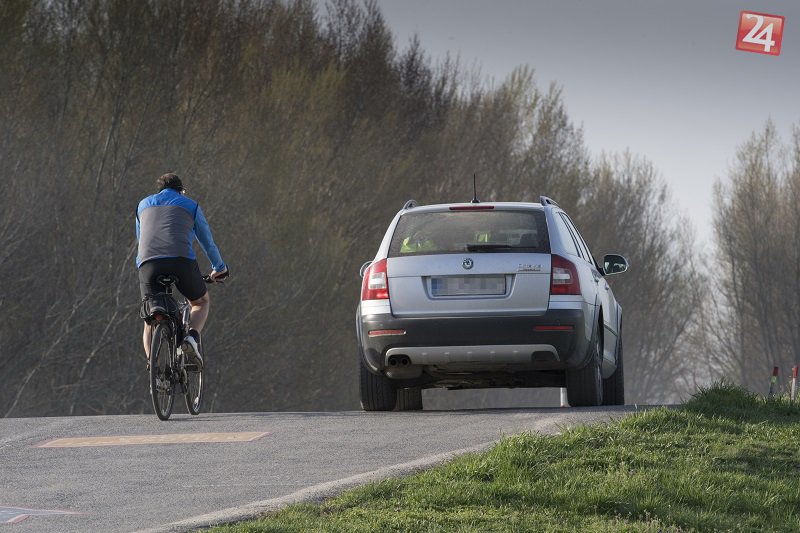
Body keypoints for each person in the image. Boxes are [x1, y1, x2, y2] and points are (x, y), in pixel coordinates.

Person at [136, 173, 228, 368]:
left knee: (150, 317)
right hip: (180, 261)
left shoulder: (142, 205)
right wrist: (219, 268)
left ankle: (153, 366)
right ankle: (191, 338)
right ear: (181, 191)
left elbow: (141, 240)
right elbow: (207, 242)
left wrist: (143, 268)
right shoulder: (190, 205)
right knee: (200, 302)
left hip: (148, 264)